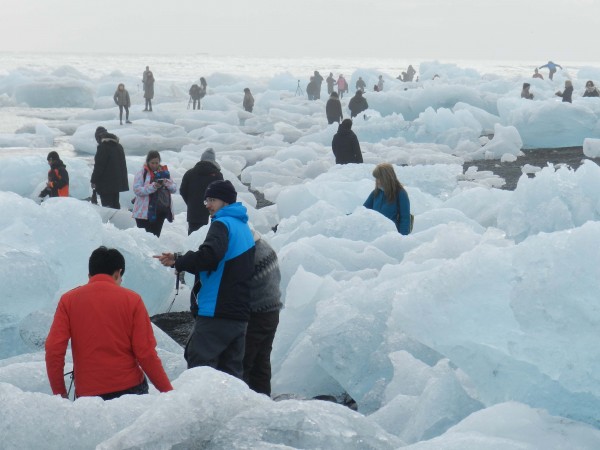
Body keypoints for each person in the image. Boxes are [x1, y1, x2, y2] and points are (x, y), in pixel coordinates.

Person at [155, 180, 255, 379]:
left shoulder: (222, 224)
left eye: (213, 200)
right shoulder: (243, 228)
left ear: (225, 202)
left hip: (218, 310)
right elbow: (226, 264)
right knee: (231, 373)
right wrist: (179, 259)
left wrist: (180, 261)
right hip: (239, 312)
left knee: (200, 366)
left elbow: (209, 257)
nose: (208, 204)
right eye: (206, 200)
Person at [45, 246, 173, 400]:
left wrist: (60, 395)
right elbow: (146, 353)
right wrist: (169, 393)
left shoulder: (68, 301)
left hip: (88, 396)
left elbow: (54, 350)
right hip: (130, 390)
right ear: (118, 273)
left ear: (89, 274)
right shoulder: (132, 300)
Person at [243, 231, 283, 396]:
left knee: (244, 362)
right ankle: (263, 400)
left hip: (257, 313)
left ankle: (245, 402)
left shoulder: (252, 254)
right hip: (272, 310)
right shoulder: (265, 248)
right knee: (261, 362)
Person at [132, 150, 177, 238]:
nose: (154, 165)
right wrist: (153, 186)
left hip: (160, 211)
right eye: (152, 163)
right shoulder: (142, 173)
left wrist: (166, 183)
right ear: (148, 162)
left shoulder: (164, 173)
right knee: (144, 239)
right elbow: (137, 190)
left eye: (156, 163)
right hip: (143, 213)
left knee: (155, 237)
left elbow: (174, 189)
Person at [180, 148, 224, 235]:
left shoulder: (189, 173)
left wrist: (190, 203)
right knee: (210, 238)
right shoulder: (217, 175)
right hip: (212, 212)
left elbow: (182, 191)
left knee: (193, 238)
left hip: (194, 213)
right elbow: (222, 193)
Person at [363, 163, 411, 235]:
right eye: (376, 178)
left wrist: (402, 238)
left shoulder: (400, 193)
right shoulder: (376, 192)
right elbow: (363, 210)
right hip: (375, 234)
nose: (377, 181)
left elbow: (405, 218)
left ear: (386, 178)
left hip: (391, 235)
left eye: (379, 178)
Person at [91, 127, 129, 209]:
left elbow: (99, 166)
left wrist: (93, 180)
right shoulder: (118, 146)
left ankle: (112, 221)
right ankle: (118, 221)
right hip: (117, 183)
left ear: (98, 137)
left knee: (108, 207)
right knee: (115, 205)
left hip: (106, 185)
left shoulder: (103, 147)